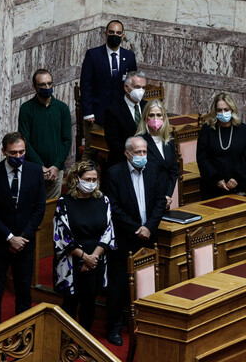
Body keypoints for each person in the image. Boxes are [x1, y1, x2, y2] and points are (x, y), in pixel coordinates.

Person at [104, 136, 167, 346]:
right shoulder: (114, 173)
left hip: (149, 236)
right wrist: (136, 229)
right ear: (127, 154)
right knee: (118, 287)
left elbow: (160, 202)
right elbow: (114, 207)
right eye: (138, 153)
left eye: (144, 152)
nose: (142, 156)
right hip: (124, 238)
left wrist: (149, 227)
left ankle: (145, 325)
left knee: (146, 284)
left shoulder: (154, 169)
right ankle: (113, 327)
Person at [0, 132, 46, 329]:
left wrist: (22, 238)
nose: (18, 157)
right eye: (13, 153)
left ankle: (24, 334)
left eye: (21, 152)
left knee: (24, 291)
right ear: (4, 152)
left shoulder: (35, 172)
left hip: (25, 244)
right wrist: (10, 238)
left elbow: (39, 208)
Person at [53, 160, 116, 332]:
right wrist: (84, 257)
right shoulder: (64, 202)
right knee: (70, 303)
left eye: (94, 179)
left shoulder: (103, 200)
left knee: (90, 302)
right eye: (87, 179)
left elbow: (109, 231)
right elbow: (62, 235)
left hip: (96, 258)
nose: (91, 183)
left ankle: (85, 340)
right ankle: (66, 339)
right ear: (76, 178)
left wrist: (93, 257)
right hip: (71, 260)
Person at [80, 20, 138, 153]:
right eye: (111, 32)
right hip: (96, 115)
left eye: (118, 33)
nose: (114, 35)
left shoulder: (129, 56)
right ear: (105, 33)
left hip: (119, 115)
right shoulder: (93, 55)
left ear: (123, 35)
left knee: (118, 151)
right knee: (91, 151)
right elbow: (86, 84)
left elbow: (133, 85)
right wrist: (88, 113)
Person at [18, 68, 72, 199]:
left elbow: (66, 140)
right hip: (33, 169)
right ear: (34, 87)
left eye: (49, 83)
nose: (47, 87)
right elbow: (24, 140)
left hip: (55, 170)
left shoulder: (62, 108)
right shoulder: (26, 108)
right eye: (42, 85)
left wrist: (55, 166)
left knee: (50, 211)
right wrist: (40, 167)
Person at [196, 93, 246, 200]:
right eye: (219, 110)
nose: (223, 113)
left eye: (226, 109)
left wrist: (237, 178)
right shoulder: (207, 130)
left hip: (237, 188)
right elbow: (202, 158)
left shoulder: (242, 130)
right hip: (212, 188)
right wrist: (216, 179)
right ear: (215, 111)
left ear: (232, 109)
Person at [136, 99, 179, 209]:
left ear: (163, 117)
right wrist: (160, 198)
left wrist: (167, 195)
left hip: (165, 199)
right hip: (147, 199)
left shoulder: (168, 141)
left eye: (159, 115)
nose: (155, 119)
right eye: (152, 115)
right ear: (146, 118)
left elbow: (173, 171)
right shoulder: (138, 141)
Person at [104, 71, 147, 167]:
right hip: (123, 162)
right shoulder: (113, 111)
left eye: (143, 88)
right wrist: (134, 157)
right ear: (126, 87)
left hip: (147, 161)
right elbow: (113, 143)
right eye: (137, 87)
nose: (141, 91)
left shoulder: (147, 107)